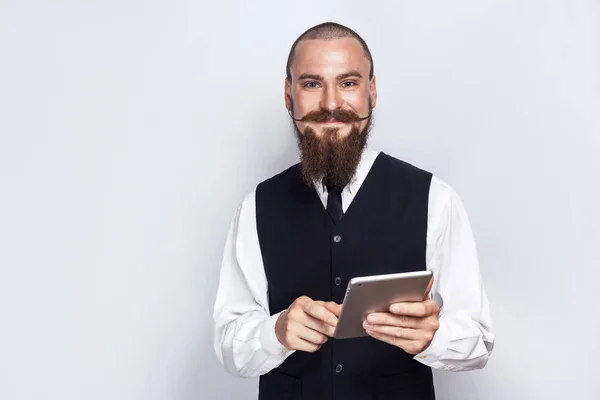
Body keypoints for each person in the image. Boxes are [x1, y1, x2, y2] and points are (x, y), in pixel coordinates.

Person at [213, 21, 494, 399]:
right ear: (288, 94)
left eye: (348, 83)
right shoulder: (256, 207)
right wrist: (275, 332)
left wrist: (435, 336)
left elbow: (478, 341)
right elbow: (230, 345)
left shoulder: (435, 199)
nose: (331, 104)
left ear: (371, 91)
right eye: (312, 84)